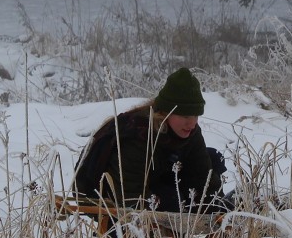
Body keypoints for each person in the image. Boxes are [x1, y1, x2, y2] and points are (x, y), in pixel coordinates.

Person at [74, 67, 228, 213]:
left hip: (152, 179)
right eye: (185, 116)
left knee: (213, 159)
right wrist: (168, 218)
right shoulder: (138, 136)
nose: (192, 123)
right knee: (171, 201)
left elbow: (202, 175)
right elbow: (130, 198)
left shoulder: (190, 130)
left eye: (196, 115)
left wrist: (217, 211)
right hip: (105, 194)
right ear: (165, 113)